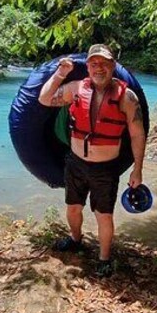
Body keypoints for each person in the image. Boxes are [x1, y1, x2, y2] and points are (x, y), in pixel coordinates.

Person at [38, 44, 146, 277]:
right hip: (75, 163)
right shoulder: (77, 88)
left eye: (104, 63)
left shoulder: (127, 97)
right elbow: (44, 98)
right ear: (87, 66)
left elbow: (137, 134)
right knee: (73, 208)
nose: (99, 68)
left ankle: (104, 258)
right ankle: (76, 240)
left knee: (103, 215)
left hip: (105, 169)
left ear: (113, 66)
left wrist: (137, 170)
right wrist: (60, 74)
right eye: (94, 63)